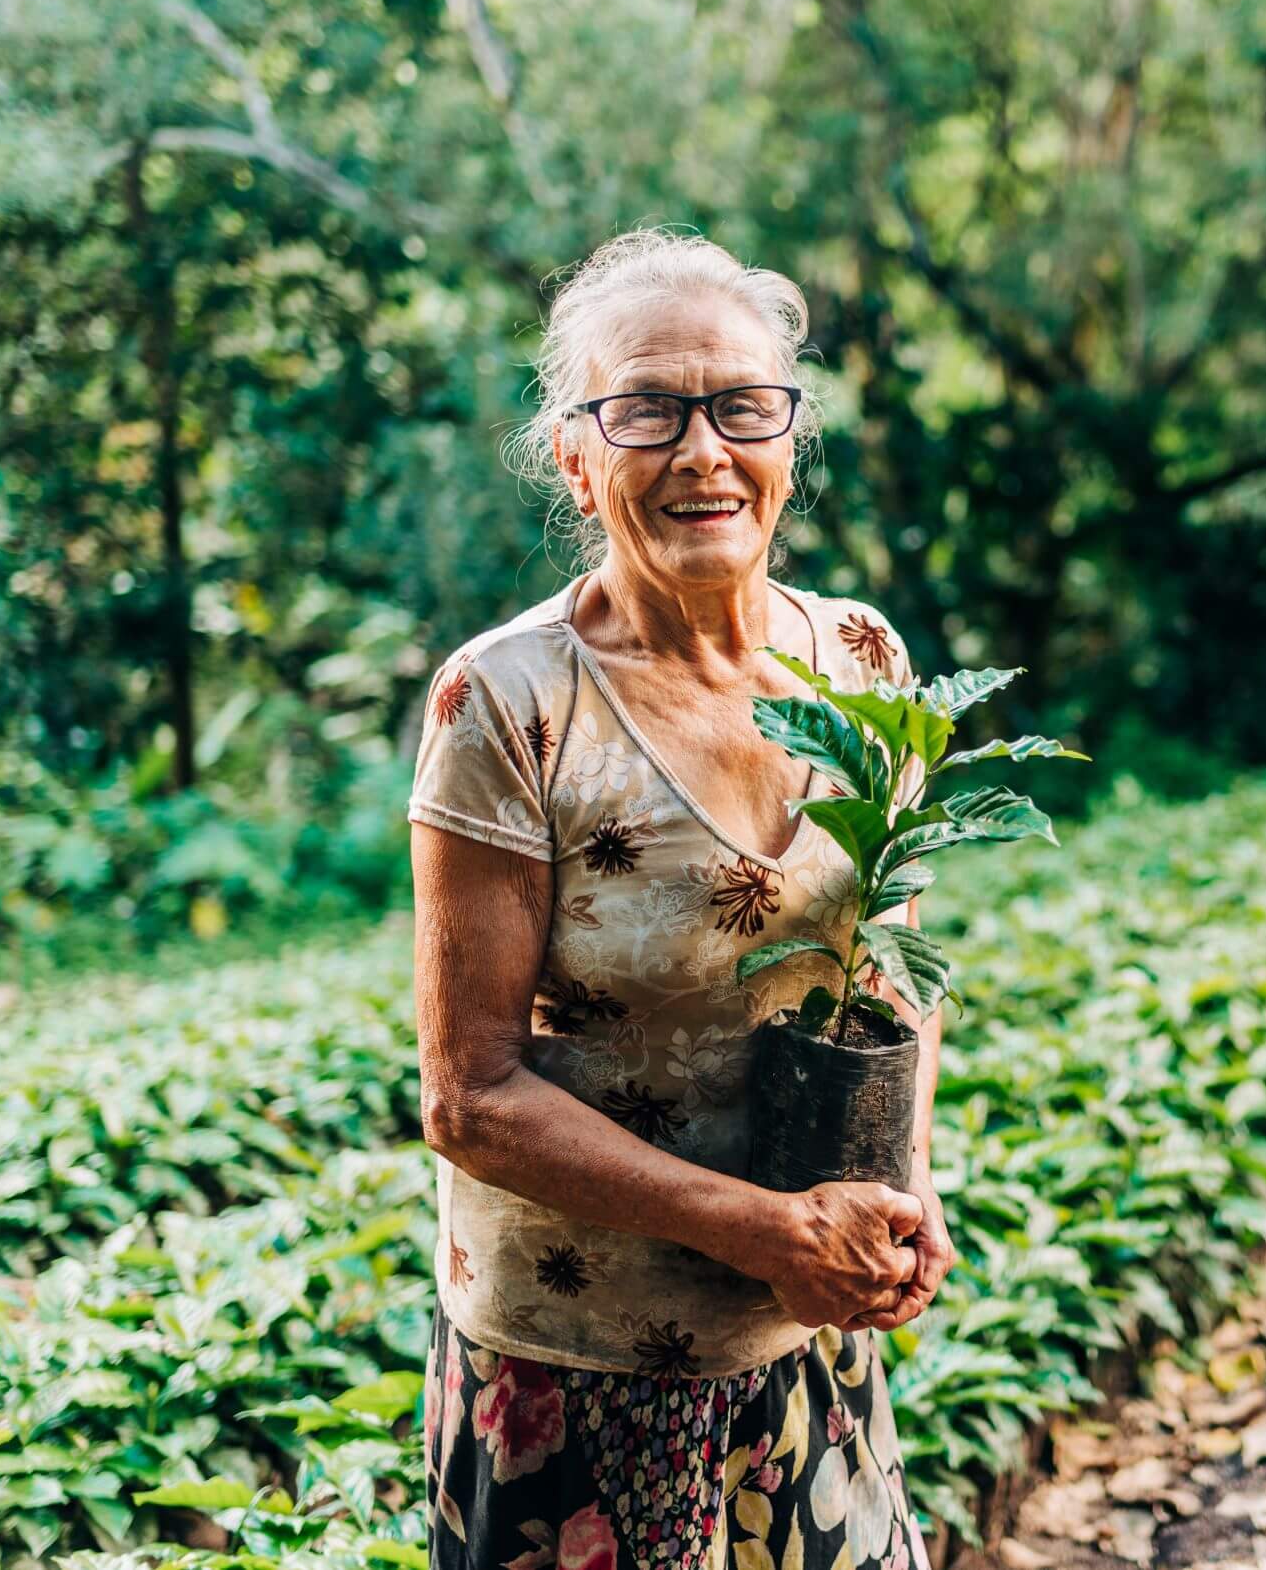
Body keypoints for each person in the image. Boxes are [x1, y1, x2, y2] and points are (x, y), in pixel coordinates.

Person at [407, 229, 952, 1570]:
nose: (703, 449)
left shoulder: (861, 658)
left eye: (740, 405)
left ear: (789, 434)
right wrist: (767, 1229)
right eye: (647, 408)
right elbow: (467, 1095)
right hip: (578, 1381)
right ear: (578, 460)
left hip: (804, 1348)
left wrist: (902, 1189)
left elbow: (892, 976)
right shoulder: (507, 704)